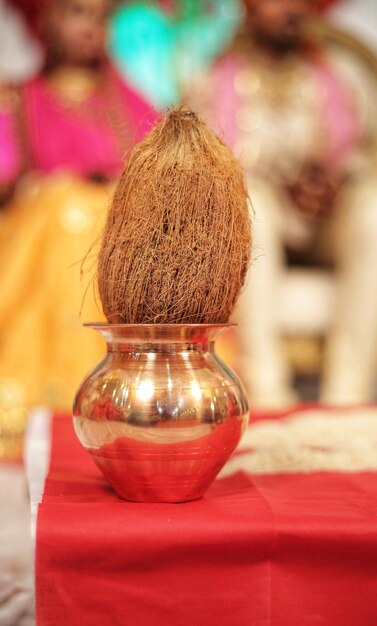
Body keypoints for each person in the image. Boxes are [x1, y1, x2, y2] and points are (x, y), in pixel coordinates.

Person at [187, 0, 377, 407]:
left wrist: (335, 184)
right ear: (248, 9)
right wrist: (278, 184)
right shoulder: (214, 82)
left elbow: (364, 153)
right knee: (249, 205)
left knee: (373, 211)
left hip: (328, 216)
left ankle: (347, 399)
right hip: (264, 212)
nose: (291, 10)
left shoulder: (337, 77)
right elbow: (206, 169)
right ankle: (268, 394)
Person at [0, 0, 158, 415]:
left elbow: (161, 176)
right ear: (46, 20)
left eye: (102, 17)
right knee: (66, 209)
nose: (91, 27)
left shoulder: (132, 105)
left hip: (116, 241)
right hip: (38, 242)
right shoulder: (15, 101)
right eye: (76, 12)